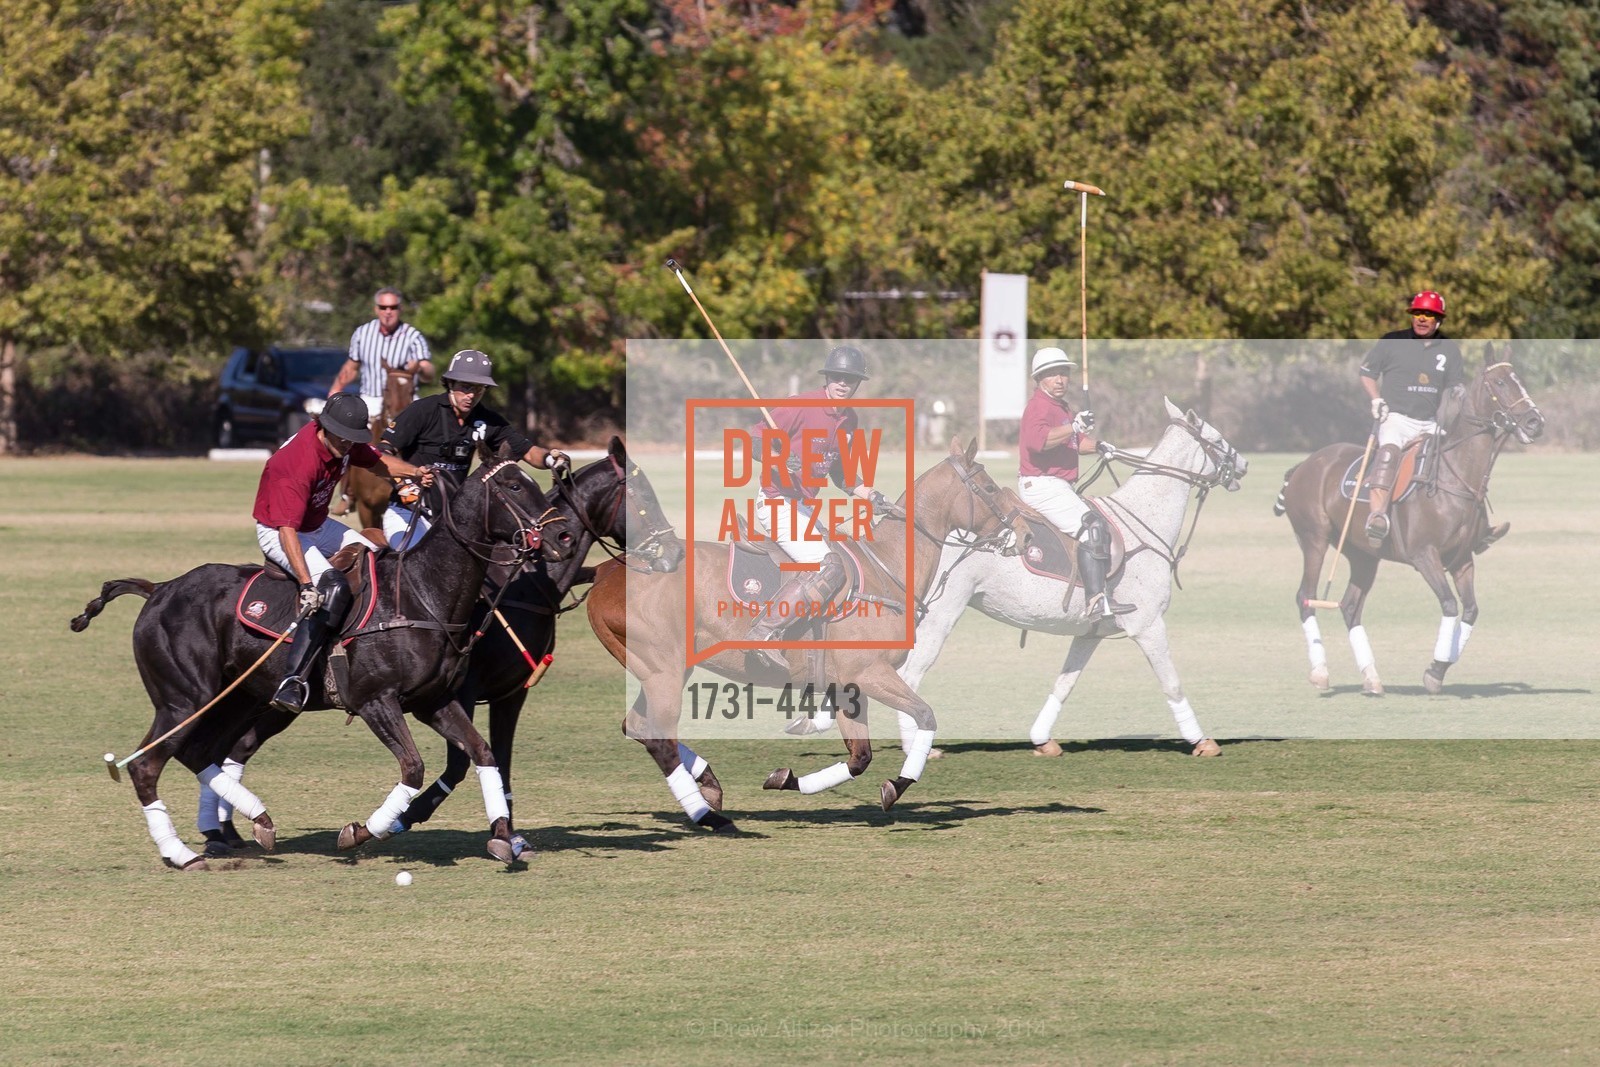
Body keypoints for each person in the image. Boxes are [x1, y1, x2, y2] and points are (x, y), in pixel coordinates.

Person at [252, 392, 435, 713]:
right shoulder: (296, 463)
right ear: (322, 426)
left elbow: (377, 461)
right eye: (343, 439)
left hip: (318, 524)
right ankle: (294, 679)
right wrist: (308, 584)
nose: (348, 445)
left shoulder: (344, 440)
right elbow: (287, 532)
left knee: (374, 556)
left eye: (353, 439)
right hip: (279, 531)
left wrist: (414, 472)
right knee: (332, 586)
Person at [744, 345, 890, 672]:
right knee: (829, 566)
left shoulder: (848, 420)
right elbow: (754, 438)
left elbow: (842, 473)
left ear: (857, 384)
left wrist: (869, 493)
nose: (842, 383)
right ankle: (763, 633)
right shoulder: (801, 405)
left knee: (850, 561)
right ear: (827, 378)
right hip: (777, 500)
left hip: (803, 508)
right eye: (837, 377)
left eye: (850, 379)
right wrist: (776, 456)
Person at [378, 349, 570, 550]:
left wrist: (551, 459)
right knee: (415, 564)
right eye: (466, 387)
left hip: (452, 519)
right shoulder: (423, 410)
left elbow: (528, 452)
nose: (471, 395)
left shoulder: (488, 420)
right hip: (409, 513)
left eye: (479, 389)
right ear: (450, 383)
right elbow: (382, 452)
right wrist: (403, 482)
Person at [1017, 346, 1131, 622]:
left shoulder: (1061, 407)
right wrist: (1075, 427)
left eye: (1063, 373)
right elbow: (1040, 442)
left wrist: (1099, 445)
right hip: (1042, 485)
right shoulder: (1038, 407)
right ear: (1039, 378)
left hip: (1058, 485)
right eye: (1052, 374)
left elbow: (1074, 442)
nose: (1059, 379)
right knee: (1092, 527)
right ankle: (1094, 600)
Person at [1358, 290, 1464, 546]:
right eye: (1418, 313)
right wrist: (1376, 399)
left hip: (1429, 422)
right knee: (1388, 454)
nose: (1422, 318)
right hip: (1396, 418)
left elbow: (1454, 387)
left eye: (1429, 314)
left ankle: (1470, 523)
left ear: (1439, 320)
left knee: (1456, 460)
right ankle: (1377, 517)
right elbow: (1367, 372)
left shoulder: (1449, 349)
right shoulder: (1391, 341)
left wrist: (1457, 397)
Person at [328, 287, 434, 514]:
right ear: (376, 309)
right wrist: (336, 389)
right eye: (384, 307)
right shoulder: (362, 334)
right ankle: (348, 492)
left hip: (405, 399)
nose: (388, 312)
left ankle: (426, 488)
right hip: (371, 398)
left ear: (400, 309)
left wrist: (423, 369)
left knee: (425, 434)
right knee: (350, 437)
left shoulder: (412, 336)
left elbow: (427, 370)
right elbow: (352, 366)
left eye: (393, 307)